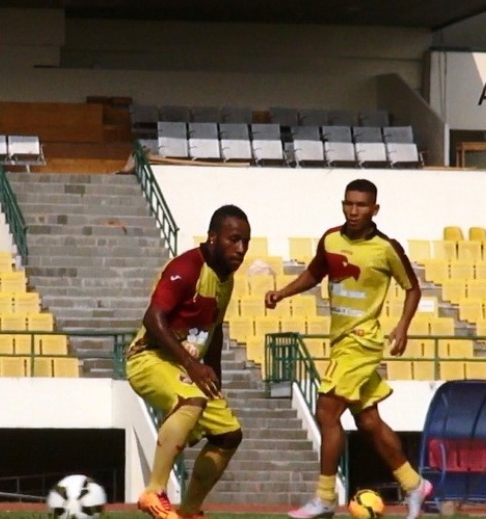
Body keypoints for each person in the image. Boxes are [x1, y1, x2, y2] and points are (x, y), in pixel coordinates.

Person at [264, 179, 432, 519]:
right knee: (368, 421)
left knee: (327, 412)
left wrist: (402, 327)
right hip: (340, 341)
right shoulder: (331, 239)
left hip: (363, 341)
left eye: (361, 205)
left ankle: (325, 497)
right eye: (349, 204)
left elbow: (412, 289)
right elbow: (314, 273)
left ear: (375, 209)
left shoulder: (386, 248)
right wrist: (282, 293)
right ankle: (414, 484)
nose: (354, 211)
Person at [126, 204, 250, 519]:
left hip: (184, 366)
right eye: (233, 240)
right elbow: (153, 319)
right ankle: (153, 492)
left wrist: (215, 377)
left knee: (229, 435)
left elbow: (214, 329)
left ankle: (189, 512)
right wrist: (193, 366)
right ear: (212, 238)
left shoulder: (226, 278)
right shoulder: (187, 267)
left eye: (245, 242)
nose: (241, 249)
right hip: (148, 358)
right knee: (191, 399)